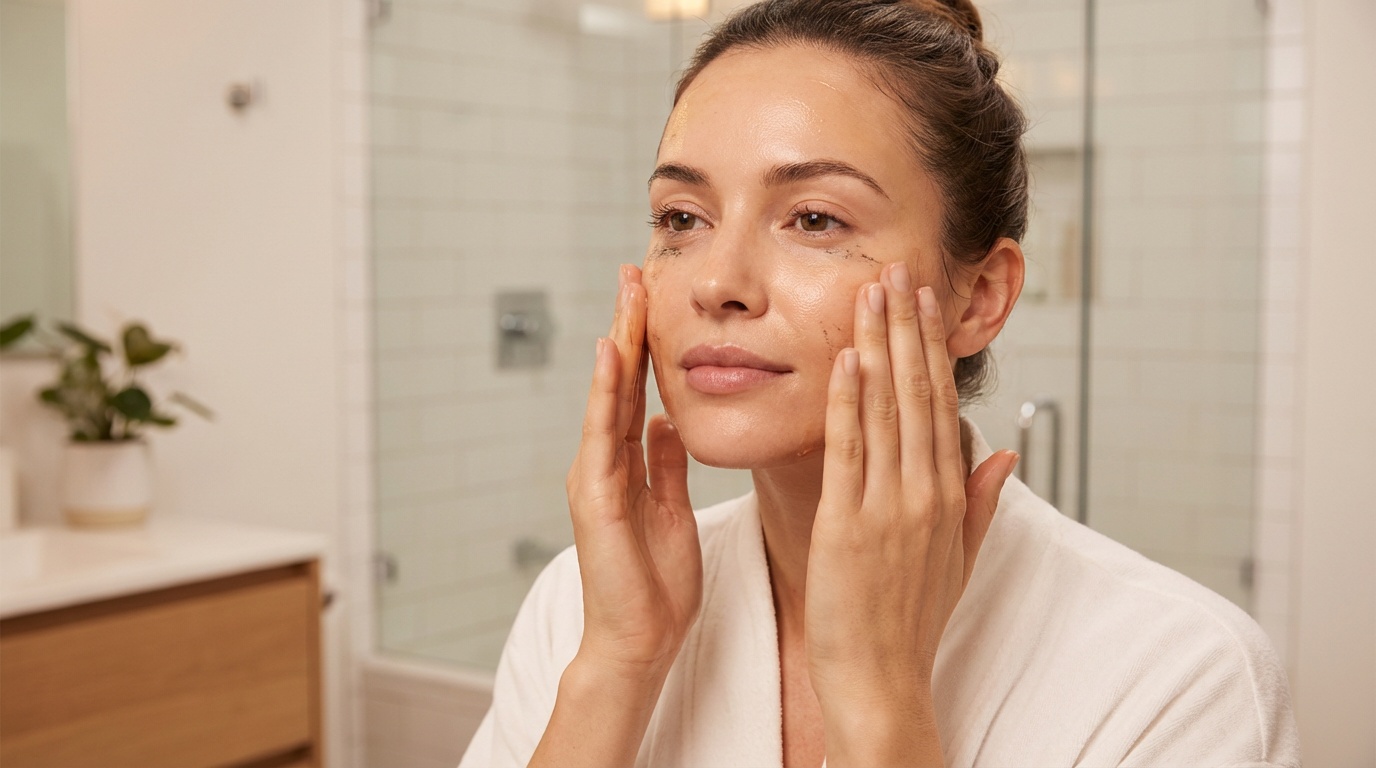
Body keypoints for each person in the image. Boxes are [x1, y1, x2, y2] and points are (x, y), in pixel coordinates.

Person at [459, 1, 1301, 765]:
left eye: (815, 219)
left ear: (978, 297)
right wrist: (619, 665)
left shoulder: (1184, 680)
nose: (717, 281)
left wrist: (878, 697)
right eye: (683, 218)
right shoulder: (584, 610)